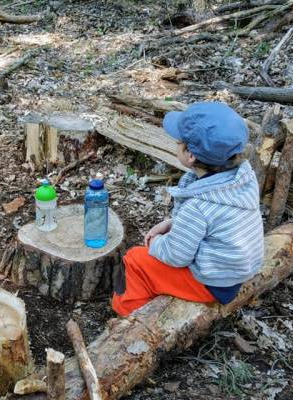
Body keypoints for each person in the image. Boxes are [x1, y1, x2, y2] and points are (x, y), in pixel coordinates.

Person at [111, 102, 265, 317]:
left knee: (136, 259)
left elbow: (176, 255)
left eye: (178, 142)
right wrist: (171, 223)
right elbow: (213, 221)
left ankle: (129, 316)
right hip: (235, 270)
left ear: (190, 155)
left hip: (213, 283)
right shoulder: (240, 177)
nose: (176, 144)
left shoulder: (199, 206)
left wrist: (156, 244)